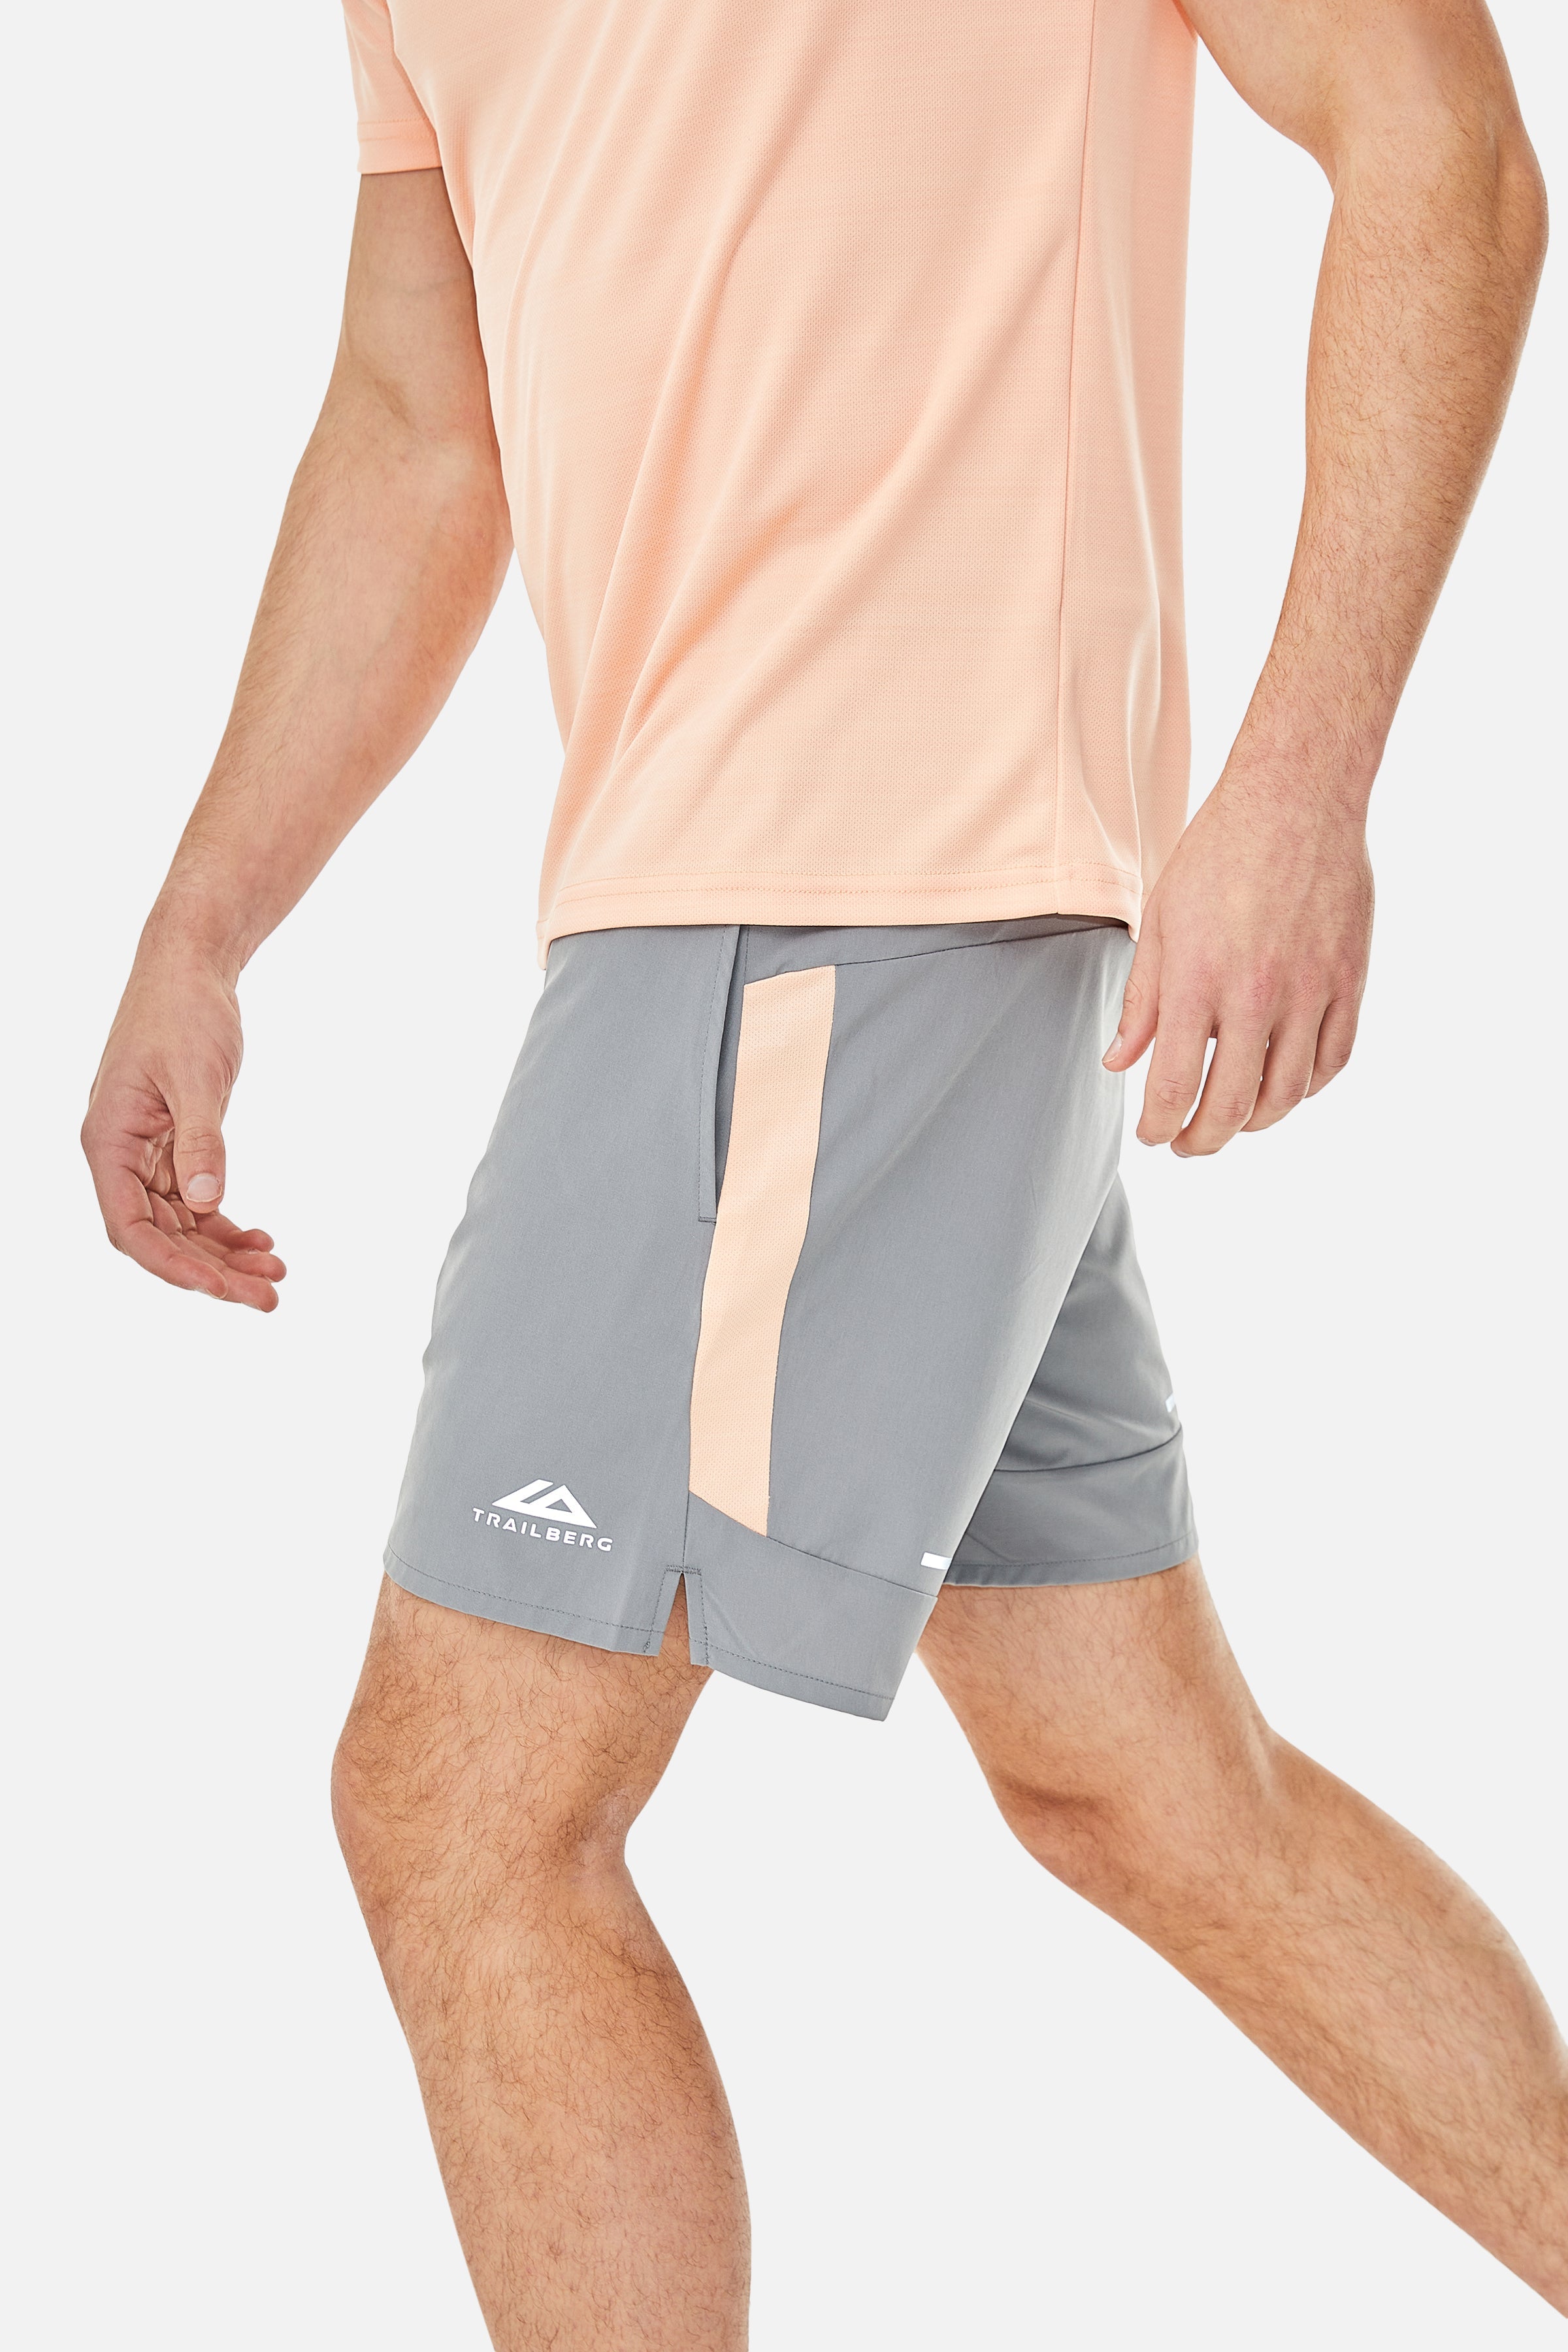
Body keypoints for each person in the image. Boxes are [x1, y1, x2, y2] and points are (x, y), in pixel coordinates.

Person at [82, 0, 1558, 2337]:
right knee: (1146, 1791)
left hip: (840, 897)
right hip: (800, 916)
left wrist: (1301, 775)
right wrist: (202, 921)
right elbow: (419, 418)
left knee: (467, 1817)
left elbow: (1437, 138)